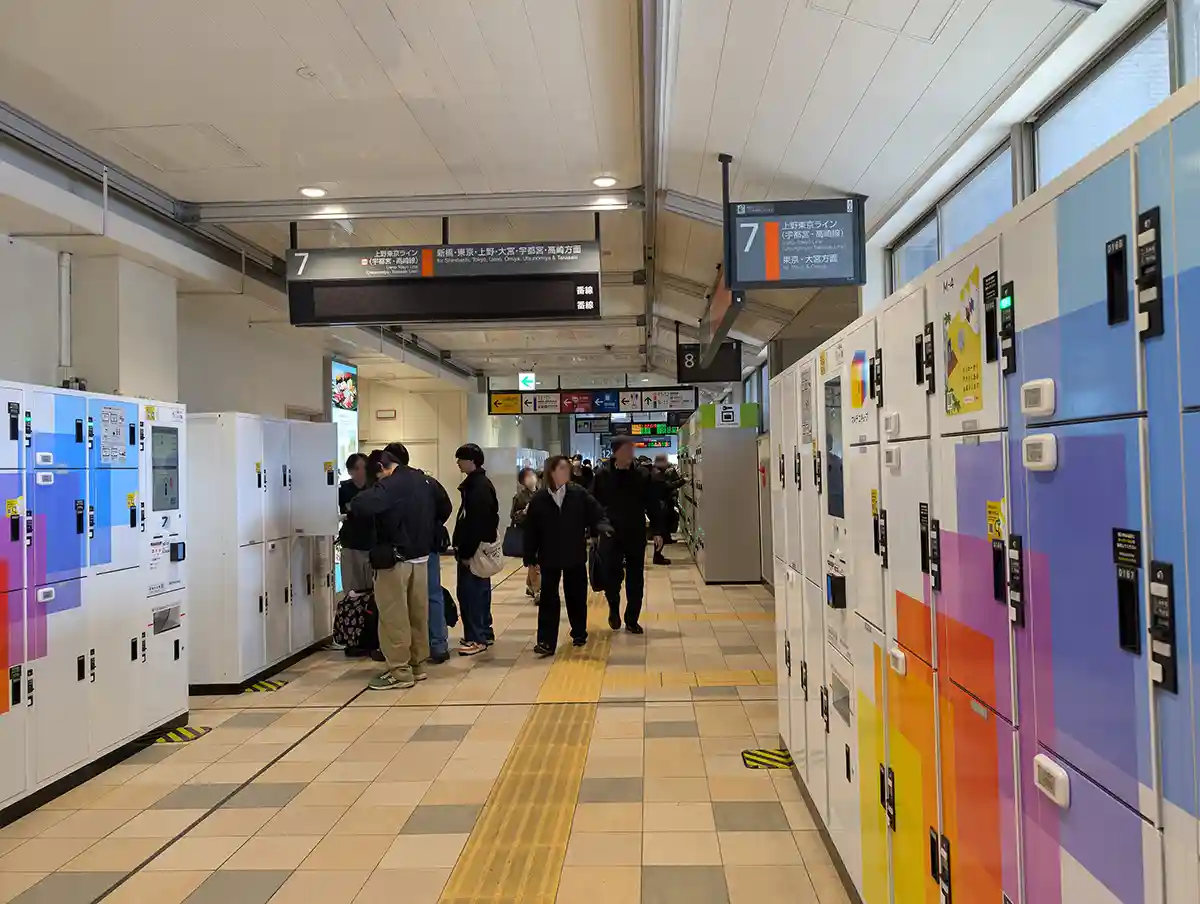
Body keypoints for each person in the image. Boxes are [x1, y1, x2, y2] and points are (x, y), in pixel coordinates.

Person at [349, 450, 438, 690]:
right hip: (420, 559)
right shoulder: (423, 480)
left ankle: (399, 670)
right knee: (417, 614)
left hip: (394, 561)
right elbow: (444, 506)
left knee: (393, 616)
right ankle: (417, 665)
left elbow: (362, 504)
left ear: (382, 466)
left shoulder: (391, 485)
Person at [524, 456, 612, 655]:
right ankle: (546, 641)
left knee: (576, 595)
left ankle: (579, 632)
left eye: (567, 469)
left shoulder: (578, 493)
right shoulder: (539, 500)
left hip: (574, 553)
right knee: (549, 598)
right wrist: (530, 558)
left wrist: (603, 527)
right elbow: (531, 531)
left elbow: (596, 512)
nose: (567, 472)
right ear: (551, 472)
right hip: (549, 555)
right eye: (561, 468)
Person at [383, 443, 454, 665]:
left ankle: (412, 650)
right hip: (427, 546)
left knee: (404, 601)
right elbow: (446, 507)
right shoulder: (427, 482)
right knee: (431, 594)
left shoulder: (394, 484)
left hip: (406, 551)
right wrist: (431, 524)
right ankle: (437, 643)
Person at [591, 436, 665, 634]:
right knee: (611, 575)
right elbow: (593, 504)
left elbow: (652, 503)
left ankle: (632, 618)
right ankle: (614, 609)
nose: (630, 453)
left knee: (636, 577)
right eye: (626, 450)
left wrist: (657, 530)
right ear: (616, 452)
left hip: (635, 532)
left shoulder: (642, 474)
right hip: (610, 534)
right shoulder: (602, 475)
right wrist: (594, 531)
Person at [452, 443, 500, 656]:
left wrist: (466, 552)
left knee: (470, 594)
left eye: (460, 459)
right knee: (480, 592)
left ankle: (476, 638)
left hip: (474, 551)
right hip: (478, 549)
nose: (458, 463)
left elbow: (476, 523)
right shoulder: (480, 484)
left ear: (471, 461)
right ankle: (484, 632)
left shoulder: (477, 487)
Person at [510, 468, 540, 602]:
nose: (531, 478)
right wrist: (524, 512)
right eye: (527, 477)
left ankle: (530, 585)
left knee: (537, 561)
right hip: (528, 533)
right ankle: (539, 590)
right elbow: (514, 516)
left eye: (532, 475)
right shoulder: (519, 497)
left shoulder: (542, 493)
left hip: (542, 532)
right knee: (534, 562)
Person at [651, 454, 686, 564]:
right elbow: (667, 487)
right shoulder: (657, 474)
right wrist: (682, 481)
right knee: (659, 532)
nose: (667, 464)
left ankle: (658, 553)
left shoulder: (656, 472)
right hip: (659, 506)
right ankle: (657, 556)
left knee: (662, 531)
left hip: (658, 505)